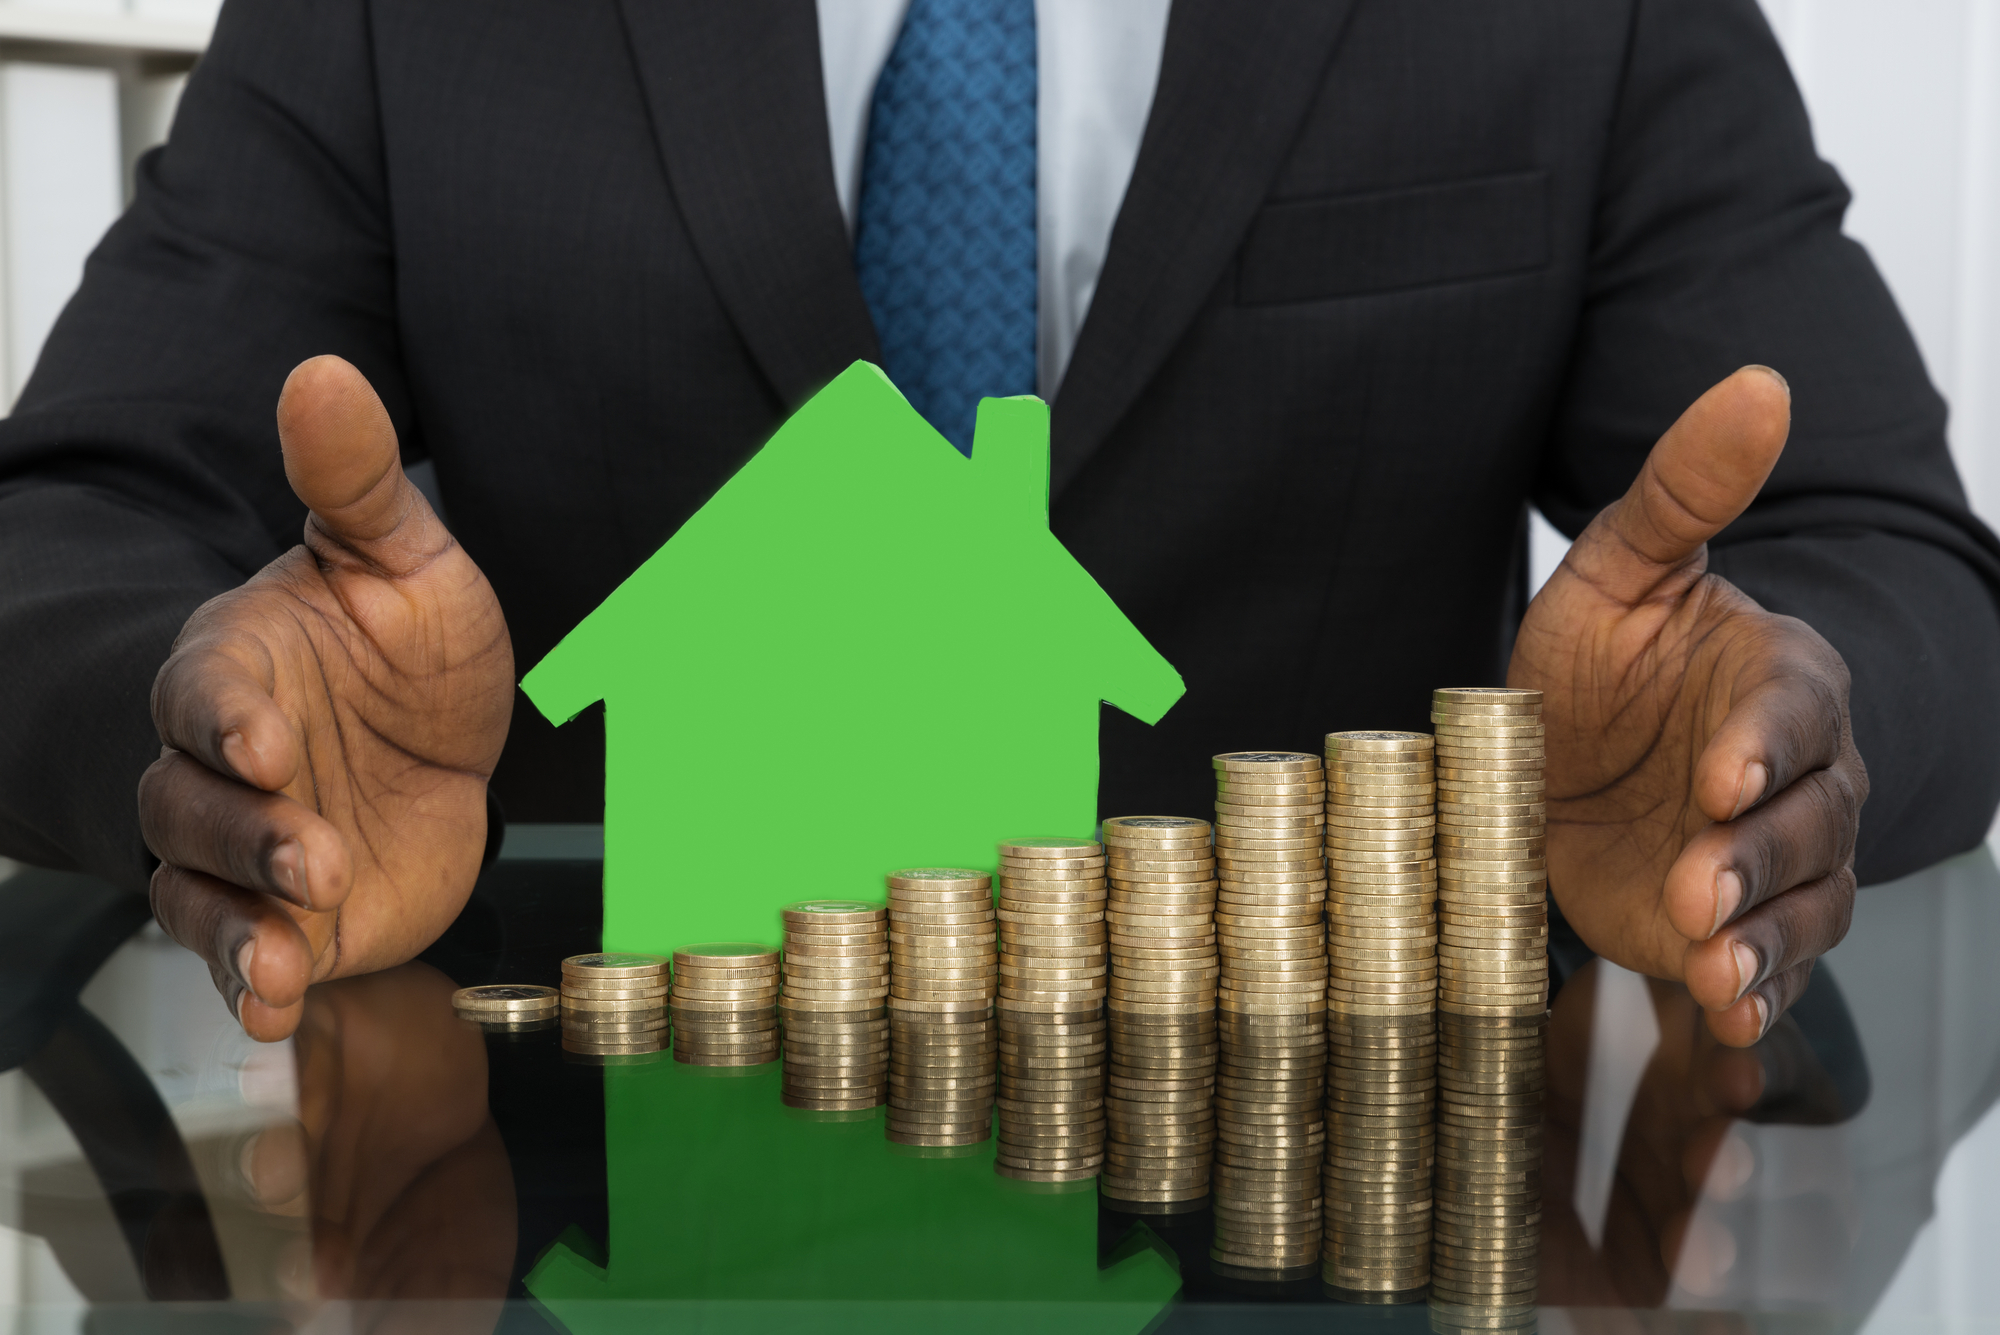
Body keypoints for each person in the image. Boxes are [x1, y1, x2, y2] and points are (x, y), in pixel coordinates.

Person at [0, 0, 1993, 1048]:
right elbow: (71, 530)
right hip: (601, 1191)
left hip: (1339, 1210)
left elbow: (1889, 562)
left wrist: (1758, 749)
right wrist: (218, 740)